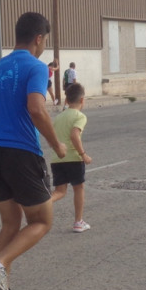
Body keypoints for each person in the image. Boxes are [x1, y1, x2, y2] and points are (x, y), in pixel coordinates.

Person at [0, 12, 66, 290]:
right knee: (41, 221)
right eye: (45, 40)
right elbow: (37, 108)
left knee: (11, 224)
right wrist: (57, 144)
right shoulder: (36, 67)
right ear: (39, 38)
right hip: (22, 153)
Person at [50, 82, 92, 233]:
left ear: (66, 101)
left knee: (59, 192)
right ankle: (78, 222)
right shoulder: (80, 116)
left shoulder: (59, 117)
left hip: (57, 158)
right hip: (73, 158)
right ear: (82, 100)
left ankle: (43, 204)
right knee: (79, 188)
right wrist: (83, 154)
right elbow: (75, 135)